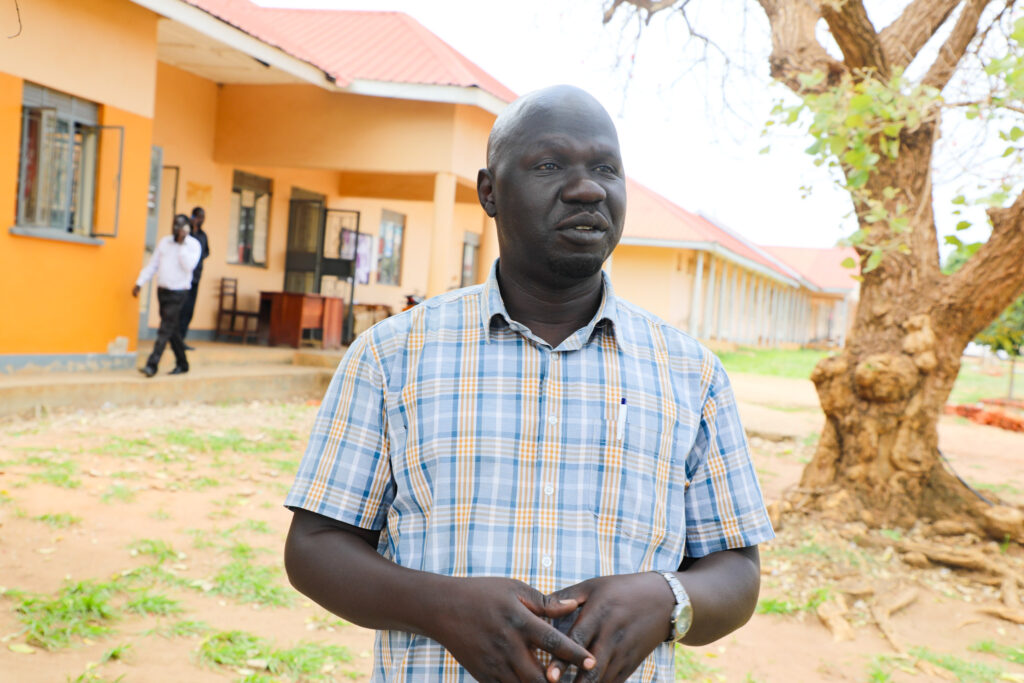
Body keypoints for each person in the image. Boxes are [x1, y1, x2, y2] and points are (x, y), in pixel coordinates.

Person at [283, 85, 774, 682]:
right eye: (549, 165)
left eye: (605, 169)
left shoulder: (691, 373)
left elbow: (737, 574)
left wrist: (667, 599)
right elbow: (313, 548)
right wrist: (441, 608)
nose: (587, 188)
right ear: (489, 191)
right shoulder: (391, 357)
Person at [132, 214, 201, 378]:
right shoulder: (164, 242)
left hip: (179, 292)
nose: (176, 228)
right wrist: (140, 282)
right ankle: (183, 363)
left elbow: (189, 266)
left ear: (186, 228)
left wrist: (182, 244)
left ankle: (152, 365)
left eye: (180, 226)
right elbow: (153, 264)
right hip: (162, 292)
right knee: (172, 329)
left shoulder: (193, 245)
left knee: (164, 329)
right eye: (174, 225)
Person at [178, 206, 210, 350]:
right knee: (179, 308)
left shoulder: (203, 236)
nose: (200, 220)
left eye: (202, 217)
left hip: (196, 278)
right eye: (198, 216)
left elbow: (206, 252)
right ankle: (174, 338)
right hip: (183, 278)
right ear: (192, 217)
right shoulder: (186, 234)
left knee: (189, 310)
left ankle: (181, 340)